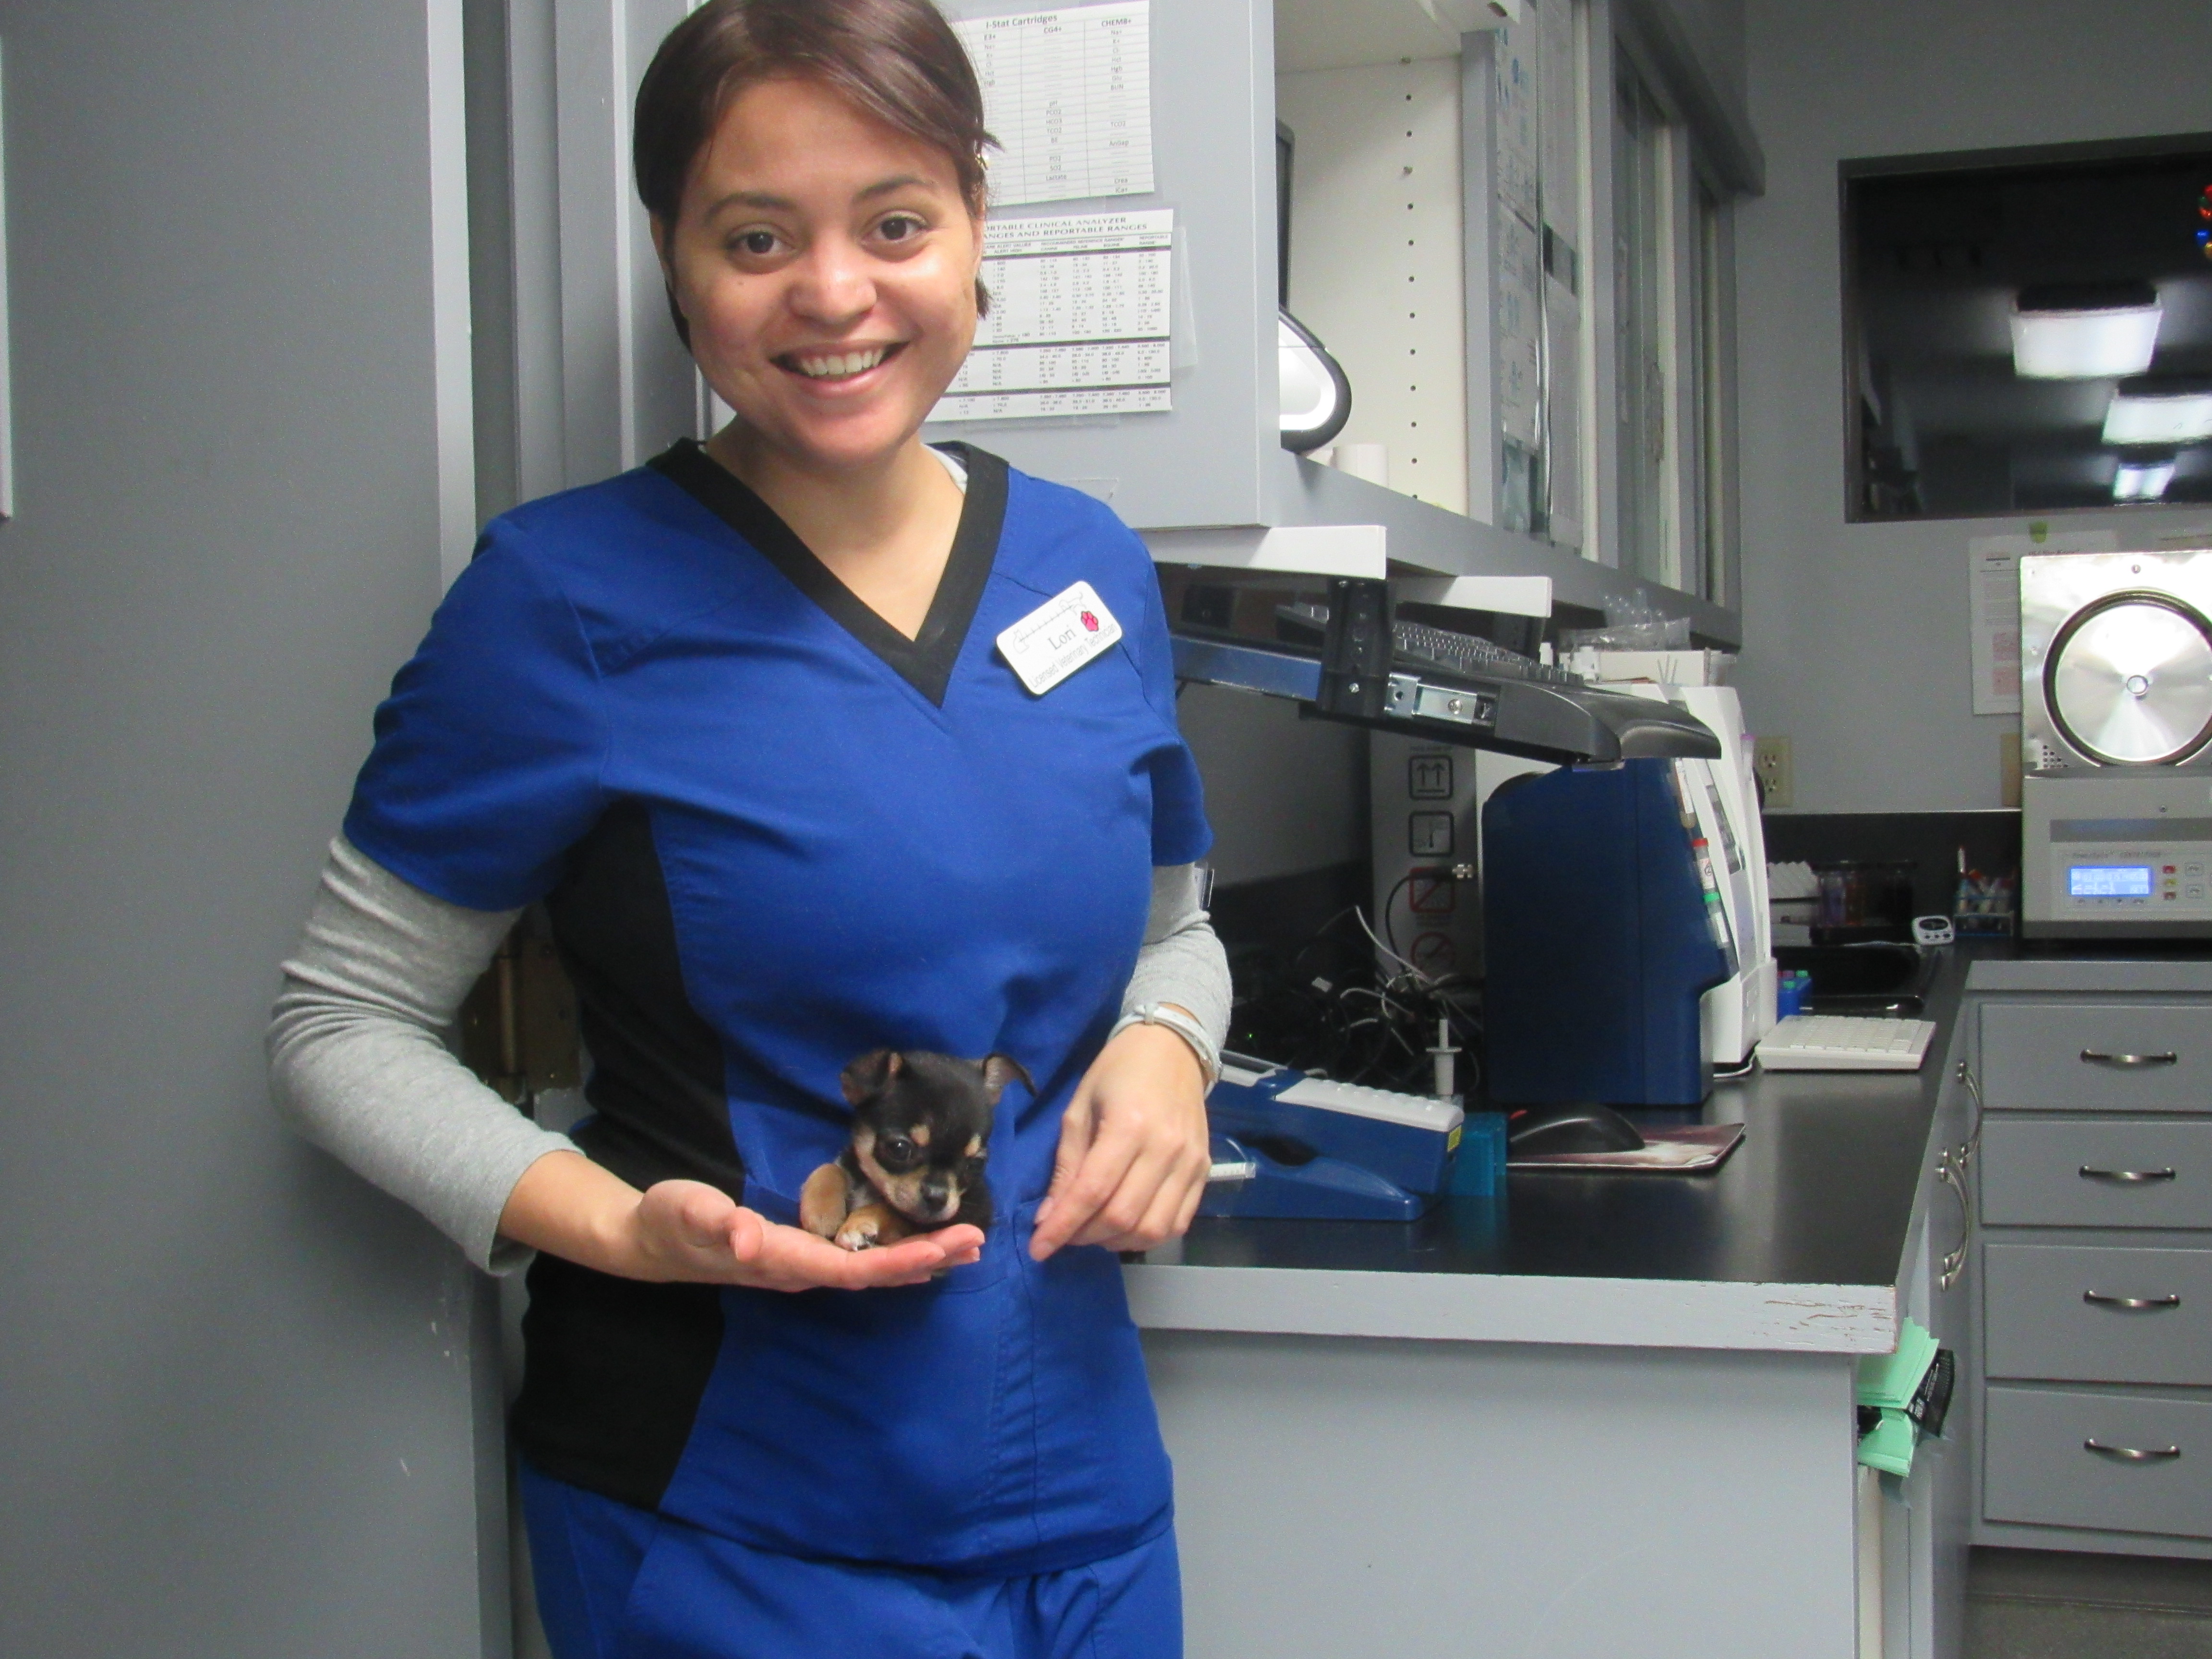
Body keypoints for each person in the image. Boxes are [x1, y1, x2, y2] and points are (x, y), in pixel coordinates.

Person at [265, 1, 1229, 1654]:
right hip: (734, 1523)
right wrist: (608, 1226)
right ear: (674, 257)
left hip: (1082, 1505)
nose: (836, 293)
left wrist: (1170, 1054)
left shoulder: (1090, 568)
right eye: (758, 235)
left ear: (975, 230)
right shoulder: (562, 600)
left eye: (897, 223)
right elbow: (334, 1028)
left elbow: (1172, 935)